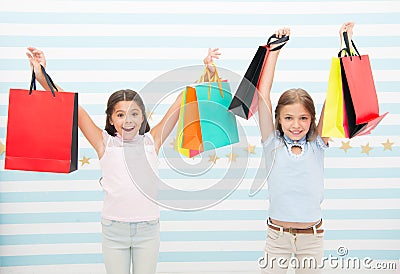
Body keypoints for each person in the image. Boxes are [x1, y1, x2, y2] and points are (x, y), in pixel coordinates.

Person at [26, 47, 220, 274]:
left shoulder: (152, 141)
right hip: (113, 230)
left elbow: (182, 100)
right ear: (111, 118)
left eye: (134, 114)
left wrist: (206, 72)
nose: (128, 121)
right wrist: (41, 76)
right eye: (120, 115)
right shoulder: (104, 143)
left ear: (143, 117)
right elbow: (72, 107)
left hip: (148, 230)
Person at [256, 23, 355, 274]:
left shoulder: (317, 145)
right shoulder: (273, 144)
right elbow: (263, 95)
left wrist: (344, 47)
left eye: (303, 118)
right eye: (288, 118)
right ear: (278, 118)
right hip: (277, 239)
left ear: (312, 119)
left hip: (312, 239)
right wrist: (275, 50)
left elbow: (335, 97)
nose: (296, 125)